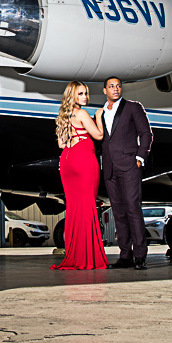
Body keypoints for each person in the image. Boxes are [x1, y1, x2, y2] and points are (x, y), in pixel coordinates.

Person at [95, 76, 153, 270]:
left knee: (133, 209)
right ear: (105, 91)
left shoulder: (133, 107)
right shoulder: (101, 113)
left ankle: (140, 256)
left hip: (129, 165)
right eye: (111, 86)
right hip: (110, 168)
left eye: (118, 86)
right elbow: (103, 140)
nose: (116, 89)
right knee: (118, 212)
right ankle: (125, 256)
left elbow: (146, 133)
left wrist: (141, 156)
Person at [51, 81, 108, 270]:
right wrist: (99, 116)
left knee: (75, 209)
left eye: (86, 93)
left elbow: (61, 144)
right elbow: (98, 135)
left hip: (67, 161)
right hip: (84, 160)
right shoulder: (83, 114)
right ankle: (88, 257)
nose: (85, 97)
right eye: (81, 94)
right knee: (88, 207)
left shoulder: (63, 115)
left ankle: (75, 256)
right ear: (73, 96)